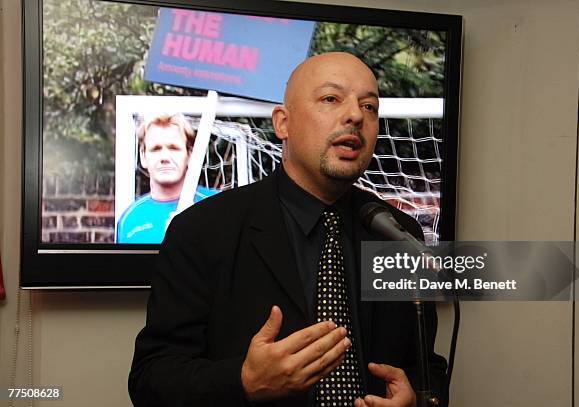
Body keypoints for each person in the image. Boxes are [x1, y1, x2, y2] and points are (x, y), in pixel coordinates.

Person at [129, 52, 446, 407]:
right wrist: (243, 382)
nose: (356, 115)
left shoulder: (399, 236)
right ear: (283, 123)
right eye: (331, 99)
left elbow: (427, 367)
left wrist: (417, 400)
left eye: (369, 106)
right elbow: (151, 380)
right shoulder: (201, 230)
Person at [117, 113, 217, 243]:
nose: (165, 157)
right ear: (143, 157)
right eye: (156, 149)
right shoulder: (130, 219)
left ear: (190, 155)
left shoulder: (217, 206)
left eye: (173, 148)